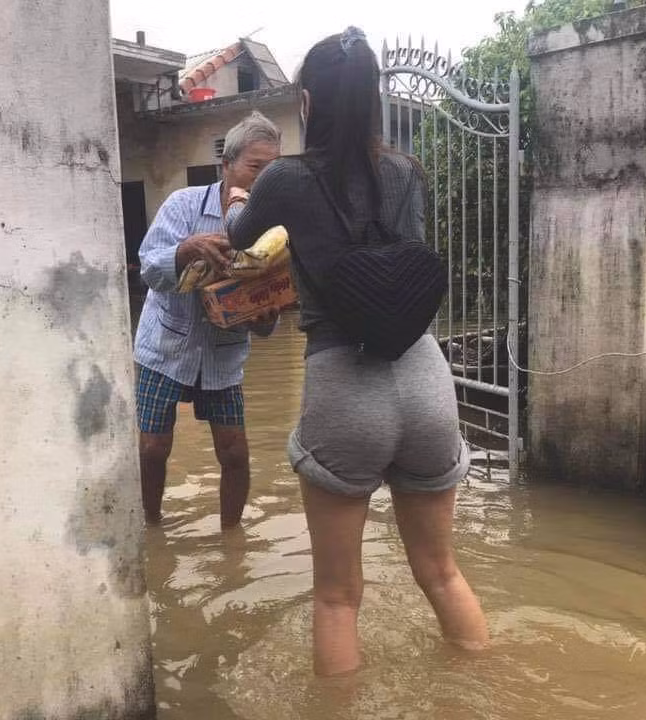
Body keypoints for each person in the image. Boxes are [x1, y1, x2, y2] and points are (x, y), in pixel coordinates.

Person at [224, 29, 489, 675]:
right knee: (443, 573)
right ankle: (483, 684)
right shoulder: (406, 172)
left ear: (307, 103)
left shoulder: (284, 178)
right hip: (426, 377)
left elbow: (239, 241)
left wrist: (237, 199)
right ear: (373, 101)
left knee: (338, 598)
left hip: (344, 380)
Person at [134, 111, 282, 529]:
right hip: (165, 346)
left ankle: (231, 537)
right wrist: (186, 249)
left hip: (223, 354)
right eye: (255, 167)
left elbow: (269, 321)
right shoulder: (182, 206)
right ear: (228, 166)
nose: (263, 178)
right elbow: (148, 269)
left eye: (273, 170)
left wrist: (263, 315)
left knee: (235, 452)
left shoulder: (274, 229)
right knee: (153, 449)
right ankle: (151, 526)